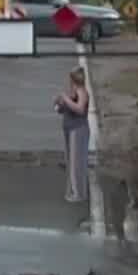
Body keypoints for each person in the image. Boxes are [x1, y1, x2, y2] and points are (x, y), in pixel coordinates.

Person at [55, 67, 91, 203]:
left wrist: (66, 99)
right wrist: (60, 103)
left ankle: (79, 194)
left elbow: (80, 109)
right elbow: (60, 109)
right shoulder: (72, 93)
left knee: (77, 162)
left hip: (79, 130)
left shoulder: (82, 92)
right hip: (69, 129)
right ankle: (73, 190)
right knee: (71, 161)